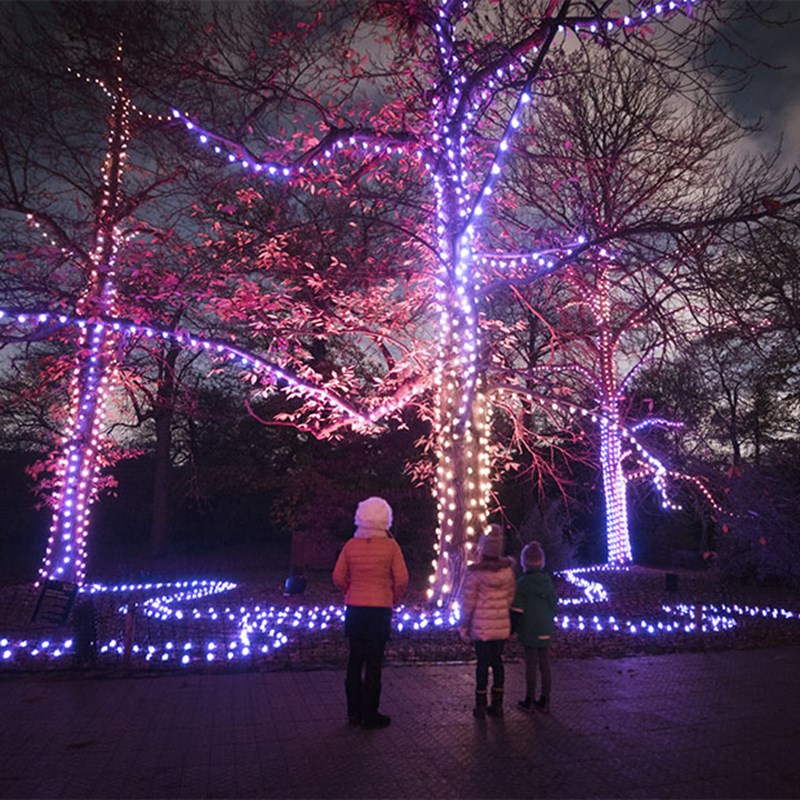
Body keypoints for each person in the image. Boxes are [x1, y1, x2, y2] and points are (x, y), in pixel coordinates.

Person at [333, 496, 409, 729]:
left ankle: (353, 712)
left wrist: (349, 590)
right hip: (379, 610)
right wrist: (391, 596)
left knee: (355, 660)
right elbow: (402, 579)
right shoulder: (391, 547)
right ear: (386, 519)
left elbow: (337, 577)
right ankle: (370, 713)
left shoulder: (350, 546)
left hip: (355, 609)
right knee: (374, 662)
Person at [459, 524, 516, 718]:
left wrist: (464, 624)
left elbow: (468, 602)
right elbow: (510, 598)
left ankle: (481, 705)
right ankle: (498, 704)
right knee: (498, 662)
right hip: (500, 627)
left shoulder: (476, 573)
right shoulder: (507, 572)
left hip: (481, 628)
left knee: (482, 664)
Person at [512, 540, 558, 714]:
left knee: (530, 665)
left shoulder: (522, 584)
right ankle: (545, 698)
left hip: (529, 630)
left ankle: (529, 698)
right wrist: (548, 619)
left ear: (524, 562)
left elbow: (517, 609)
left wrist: (514, 629)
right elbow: (554, 604)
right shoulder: (547, 582)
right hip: (545, 629)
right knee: (545, 664)